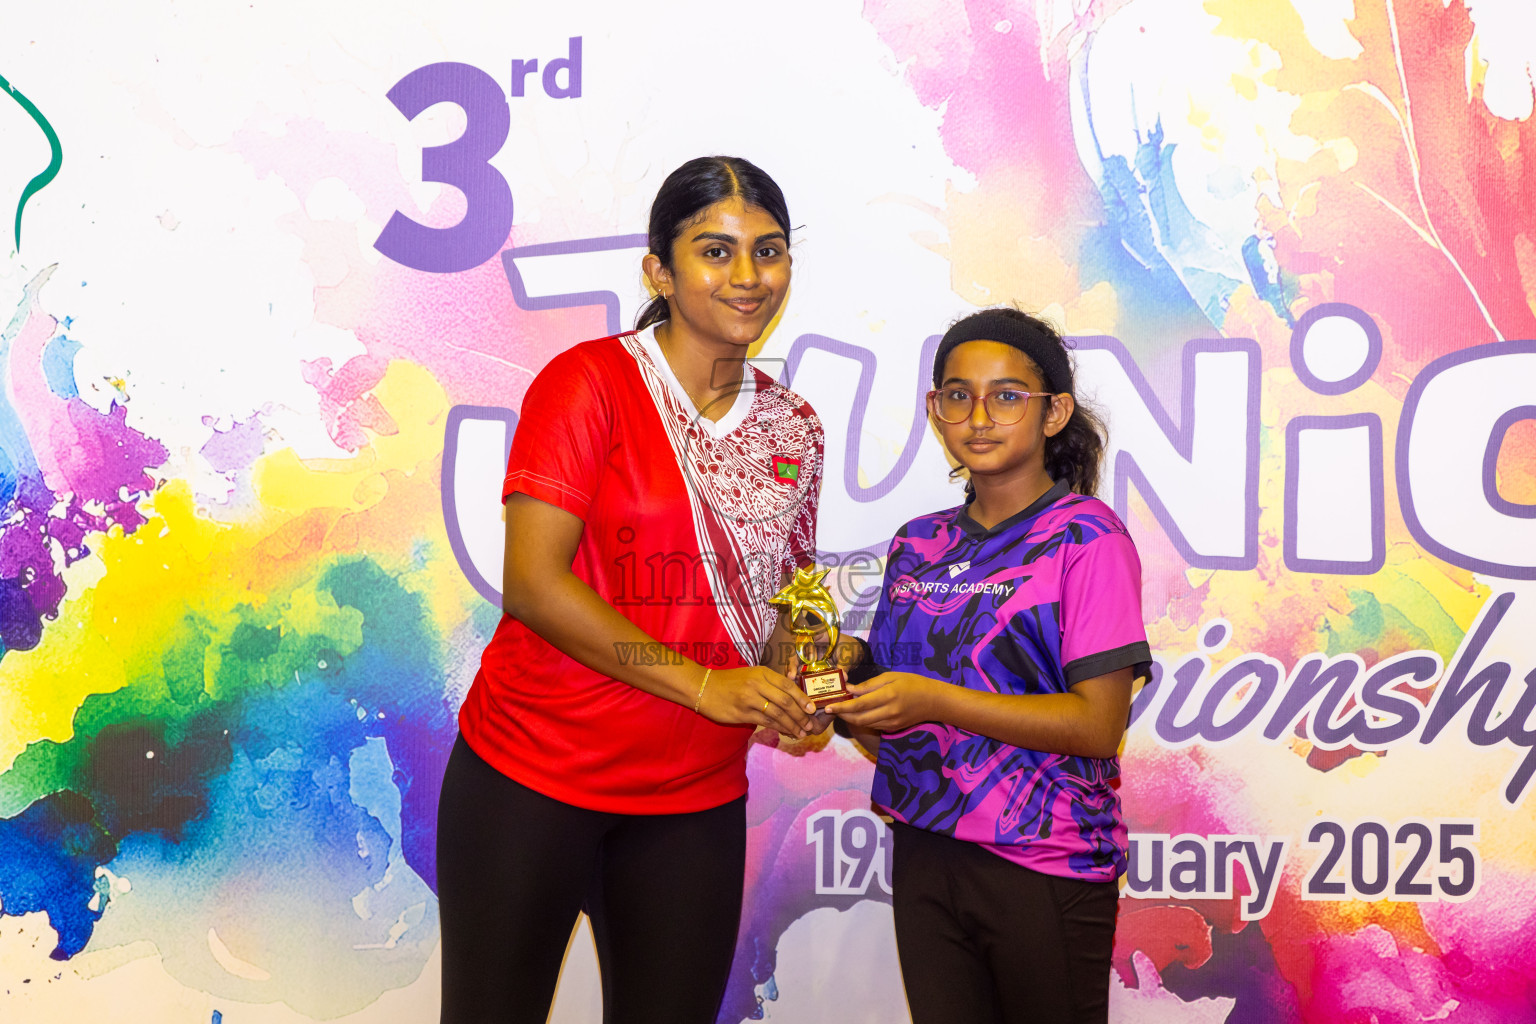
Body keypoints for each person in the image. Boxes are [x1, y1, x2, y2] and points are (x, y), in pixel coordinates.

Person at [436, 156, 825, 1024]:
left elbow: (786, 597)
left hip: (694, 801)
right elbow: (533, 585)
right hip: (532, 781)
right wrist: (702, 684)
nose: (747, 276)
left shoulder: (793, 425)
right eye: (715, 252)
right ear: (659, 270)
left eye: (768, 252)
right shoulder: (588, 385)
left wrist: (796, 681)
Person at [829, 307, 1150, 1024]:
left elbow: (1098, 726)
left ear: (1054, 412)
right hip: (924, 848)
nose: (978, 415)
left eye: (1007, 396)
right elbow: (893, 708)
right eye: (956, 394)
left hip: (1043, 860)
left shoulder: (1086, 538)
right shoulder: (919, 542)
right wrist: (842, 679)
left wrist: (932, 700)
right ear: (934, 409)